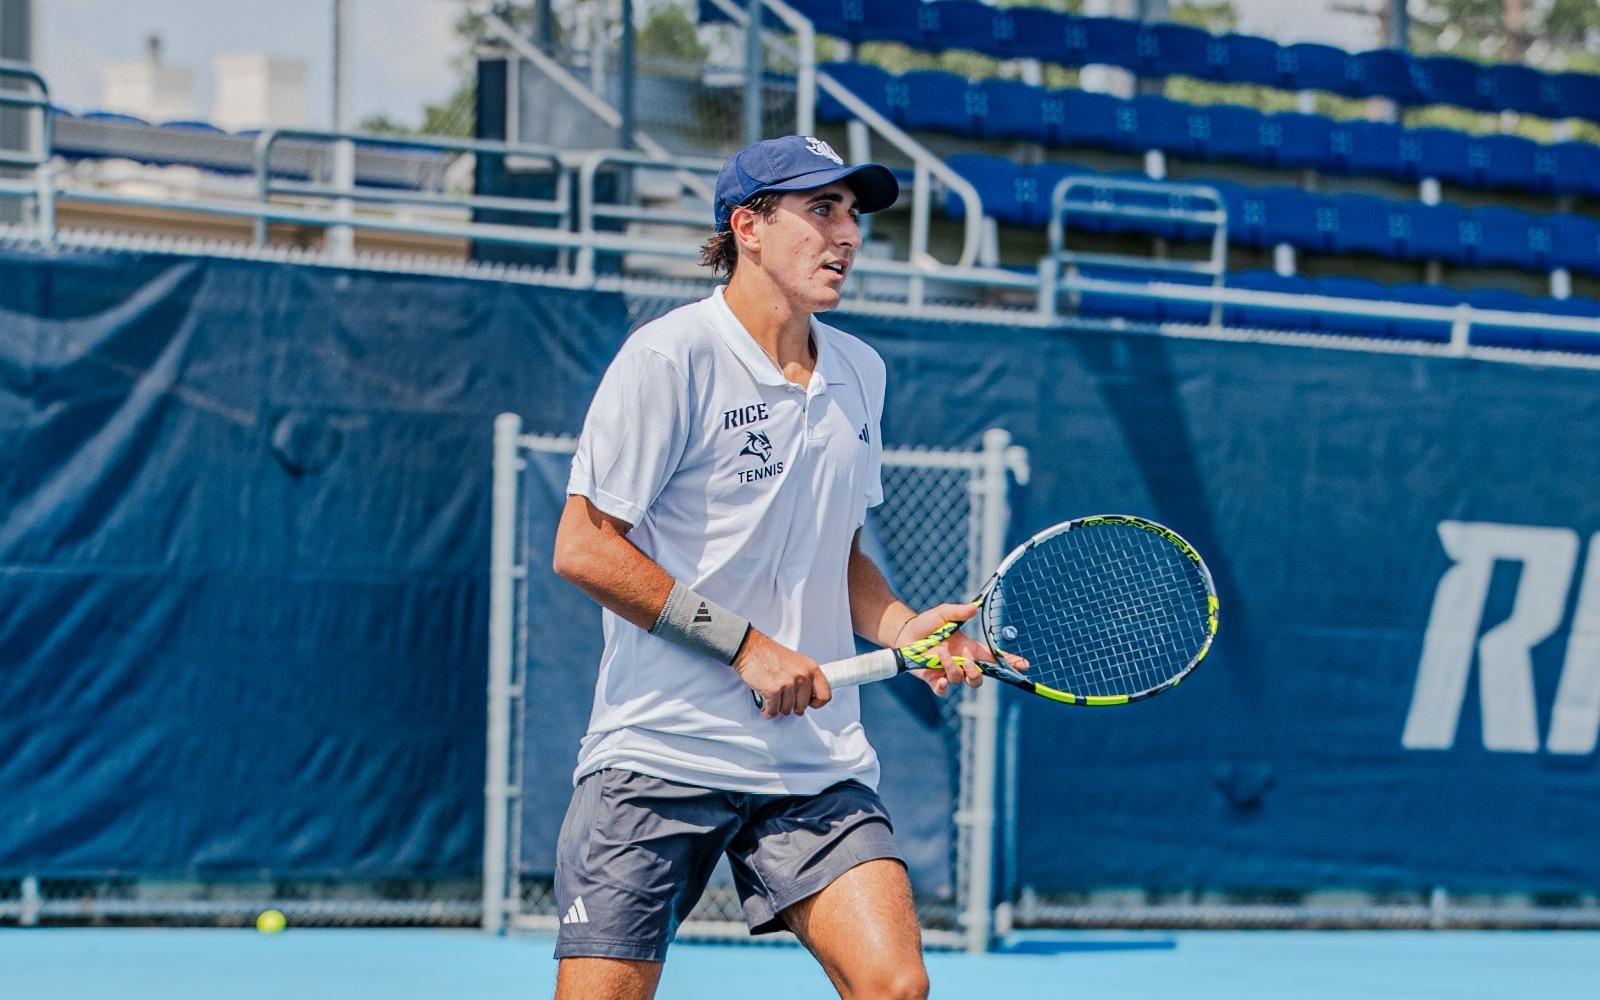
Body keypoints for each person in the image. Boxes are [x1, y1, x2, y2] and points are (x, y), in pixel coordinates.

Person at [550, 135, 1004, 1000]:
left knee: (895, 986)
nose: (847, 235)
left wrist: (905, 626)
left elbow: (838, 552)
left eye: (854, 215)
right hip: (660, 748)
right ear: (747, 227)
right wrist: (745, 647)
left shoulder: (860, 373)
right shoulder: (669, 357)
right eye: (821, 210)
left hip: (812, 763)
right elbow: (584, 545)